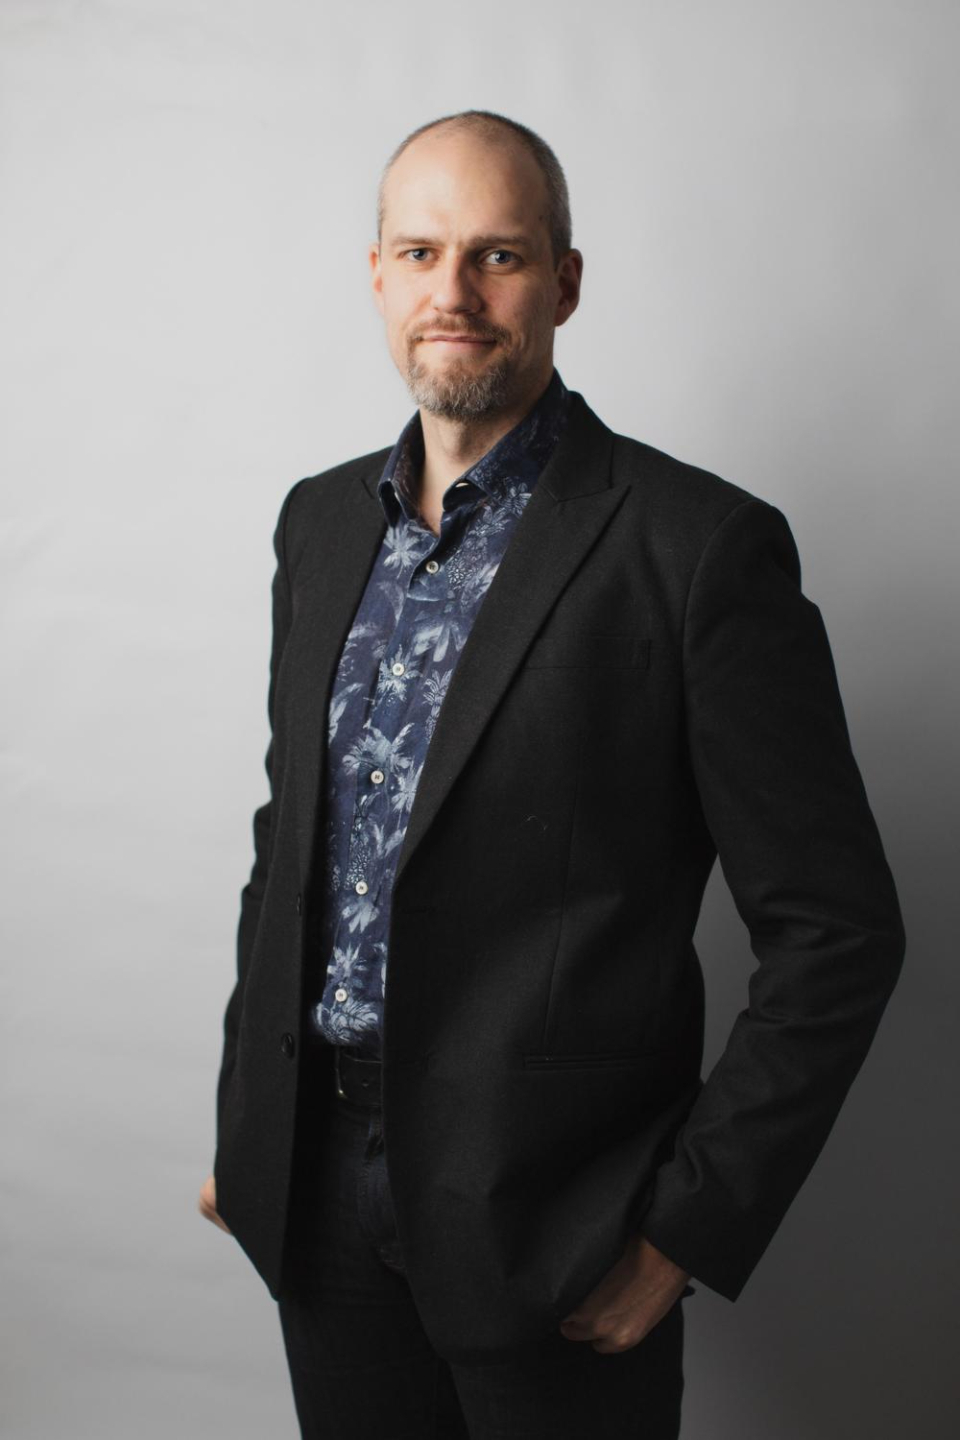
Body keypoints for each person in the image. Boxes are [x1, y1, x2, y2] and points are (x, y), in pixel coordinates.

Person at [198, 109, 905, 1439]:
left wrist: (684, 1232)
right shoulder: (318, 522)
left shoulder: (696, 549)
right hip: (317, 1201)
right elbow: (289, 840)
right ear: (377, 277)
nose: (453, 293)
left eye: (499, 255)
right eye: (421, 253)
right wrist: (251, 1118)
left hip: (556, 1224)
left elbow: (838, 930)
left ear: (565, 282)